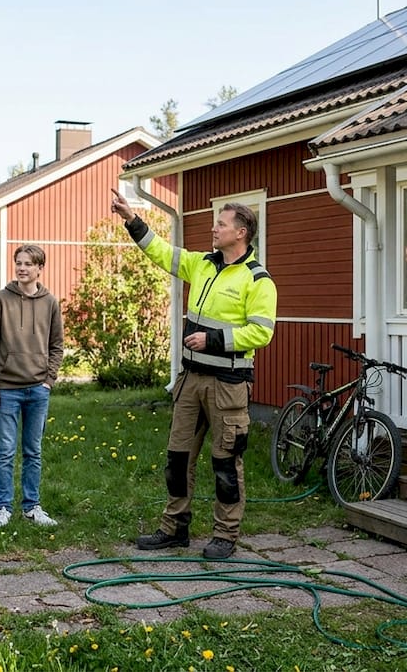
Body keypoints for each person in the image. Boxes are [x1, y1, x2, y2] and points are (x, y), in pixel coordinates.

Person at [110, 188, 277, 560]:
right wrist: (130, 219)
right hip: (190, 380)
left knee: (225, 464)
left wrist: (214, 339)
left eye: (221, 224)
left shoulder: (258, 280)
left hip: (228, 387)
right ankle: (174, 529)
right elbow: (161, 252)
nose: (214, 229)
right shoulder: (201, 263)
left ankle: (225, 535)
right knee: (177, 458)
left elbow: (262, 332)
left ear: (241, 233)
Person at [0, 244, 65, 529]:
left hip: (38, 390)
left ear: (40, 268)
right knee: (5, 451)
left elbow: (57, 345)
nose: (22, 268)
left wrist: (48, 380)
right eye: (18, 262)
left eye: (28, 263)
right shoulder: (0, 300)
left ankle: (32, 506)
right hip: (6, 389)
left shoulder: (50, 302)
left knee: (33, 450)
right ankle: (2, 507)